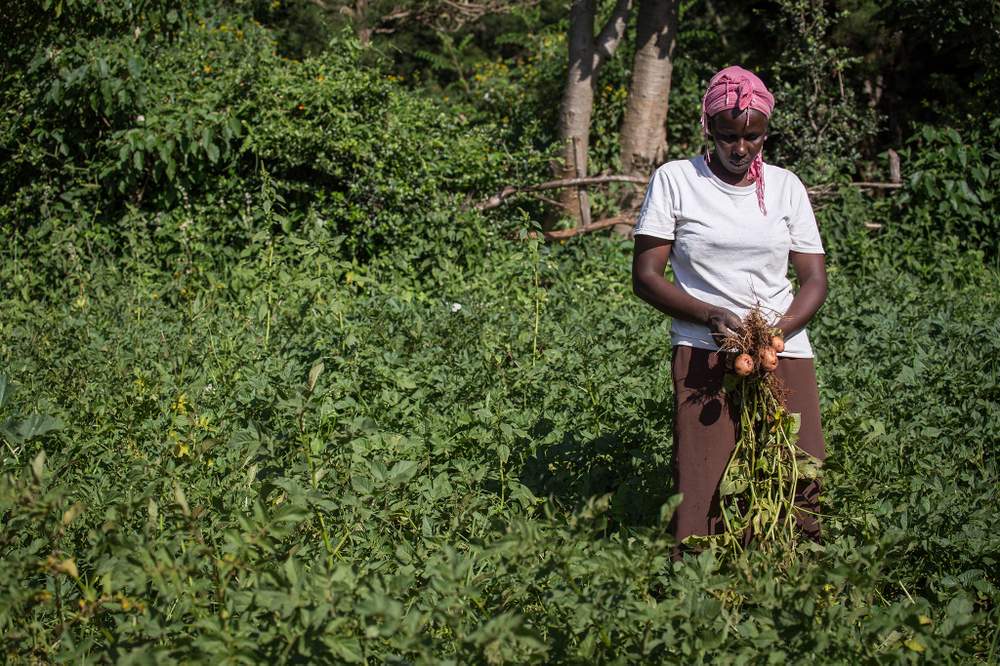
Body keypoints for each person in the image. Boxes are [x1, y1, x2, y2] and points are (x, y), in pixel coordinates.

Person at [631, 65, 827, 548]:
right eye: (727, 137)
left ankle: (798, 582)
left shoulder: (786, 187)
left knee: (799, 473)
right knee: (704, 482)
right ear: (707, 128)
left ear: (765, 133)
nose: (740, 150)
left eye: (753, 138)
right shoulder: (676, 180)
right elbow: (646, 277)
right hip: (703, 346)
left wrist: (776, 332)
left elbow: (814, 280)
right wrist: (711, 316)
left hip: (781, 348)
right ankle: (699, 585)